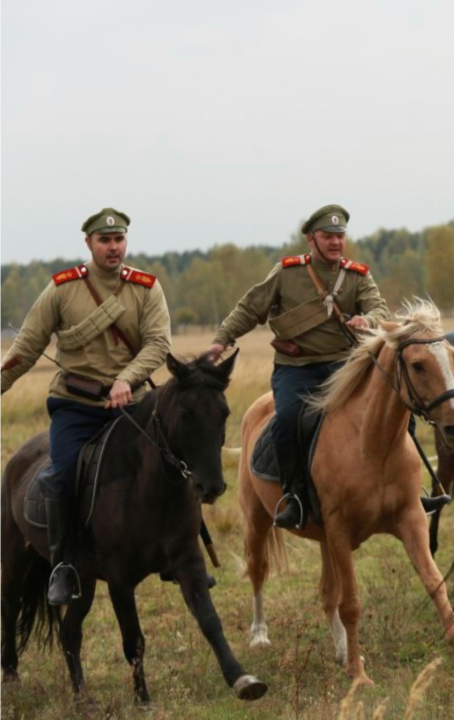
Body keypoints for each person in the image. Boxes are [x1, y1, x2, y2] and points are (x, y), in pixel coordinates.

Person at [0, 208, 171, 606]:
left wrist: (127, 378)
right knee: (61, 476)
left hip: (131, 405)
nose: (113, 247)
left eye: (118, 239)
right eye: (104, 240)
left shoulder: (146, 288)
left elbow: (158, 344)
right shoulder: (62, 289)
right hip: (76, 406)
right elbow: (26, 348)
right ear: (89, 243)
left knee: (174, 461)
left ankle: (179, 550)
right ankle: (63, 566)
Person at [207, 204, 389, 530]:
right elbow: (250, 308)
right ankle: (295, 497)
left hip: (346, 366)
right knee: (288, 418)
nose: (336, 242)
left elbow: (379, 309)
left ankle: (405, 488)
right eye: (327, 236)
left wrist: (369, 320)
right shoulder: (287, 273)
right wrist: (221, 341)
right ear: (311, 239)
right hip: (298, 368)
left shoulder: (357, 276)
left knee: (394, 403)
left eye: (340, 236)